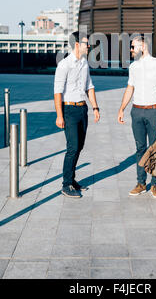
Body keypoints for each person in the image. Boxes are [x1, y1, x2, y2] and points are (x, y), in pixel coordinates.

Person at [117, 34, 156, 199]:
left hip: (154, 112)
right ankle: (141, 183)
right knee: (140, 149)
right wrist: (121, 109)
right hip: (137, 111)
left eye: (133, 46)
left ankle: (154, 184)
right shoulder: (134, 67)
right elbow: (129, 89)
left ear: (143, 46)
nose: (131, 50)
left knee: (154, 149)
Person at [54, 31, 100, 198]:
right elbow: (57, 92)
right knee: (72, 147)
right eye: (86, 43)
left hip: (82, 109)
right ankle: (66, 185)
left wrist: (95, 108)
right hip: (69, 110)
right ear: (77, 45)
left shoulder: (84, 64)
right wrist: (59, 116)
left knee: (79, 146)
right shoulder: (64, 65)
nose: (89, 46)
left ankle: (72, 180)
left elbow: (90, 86)